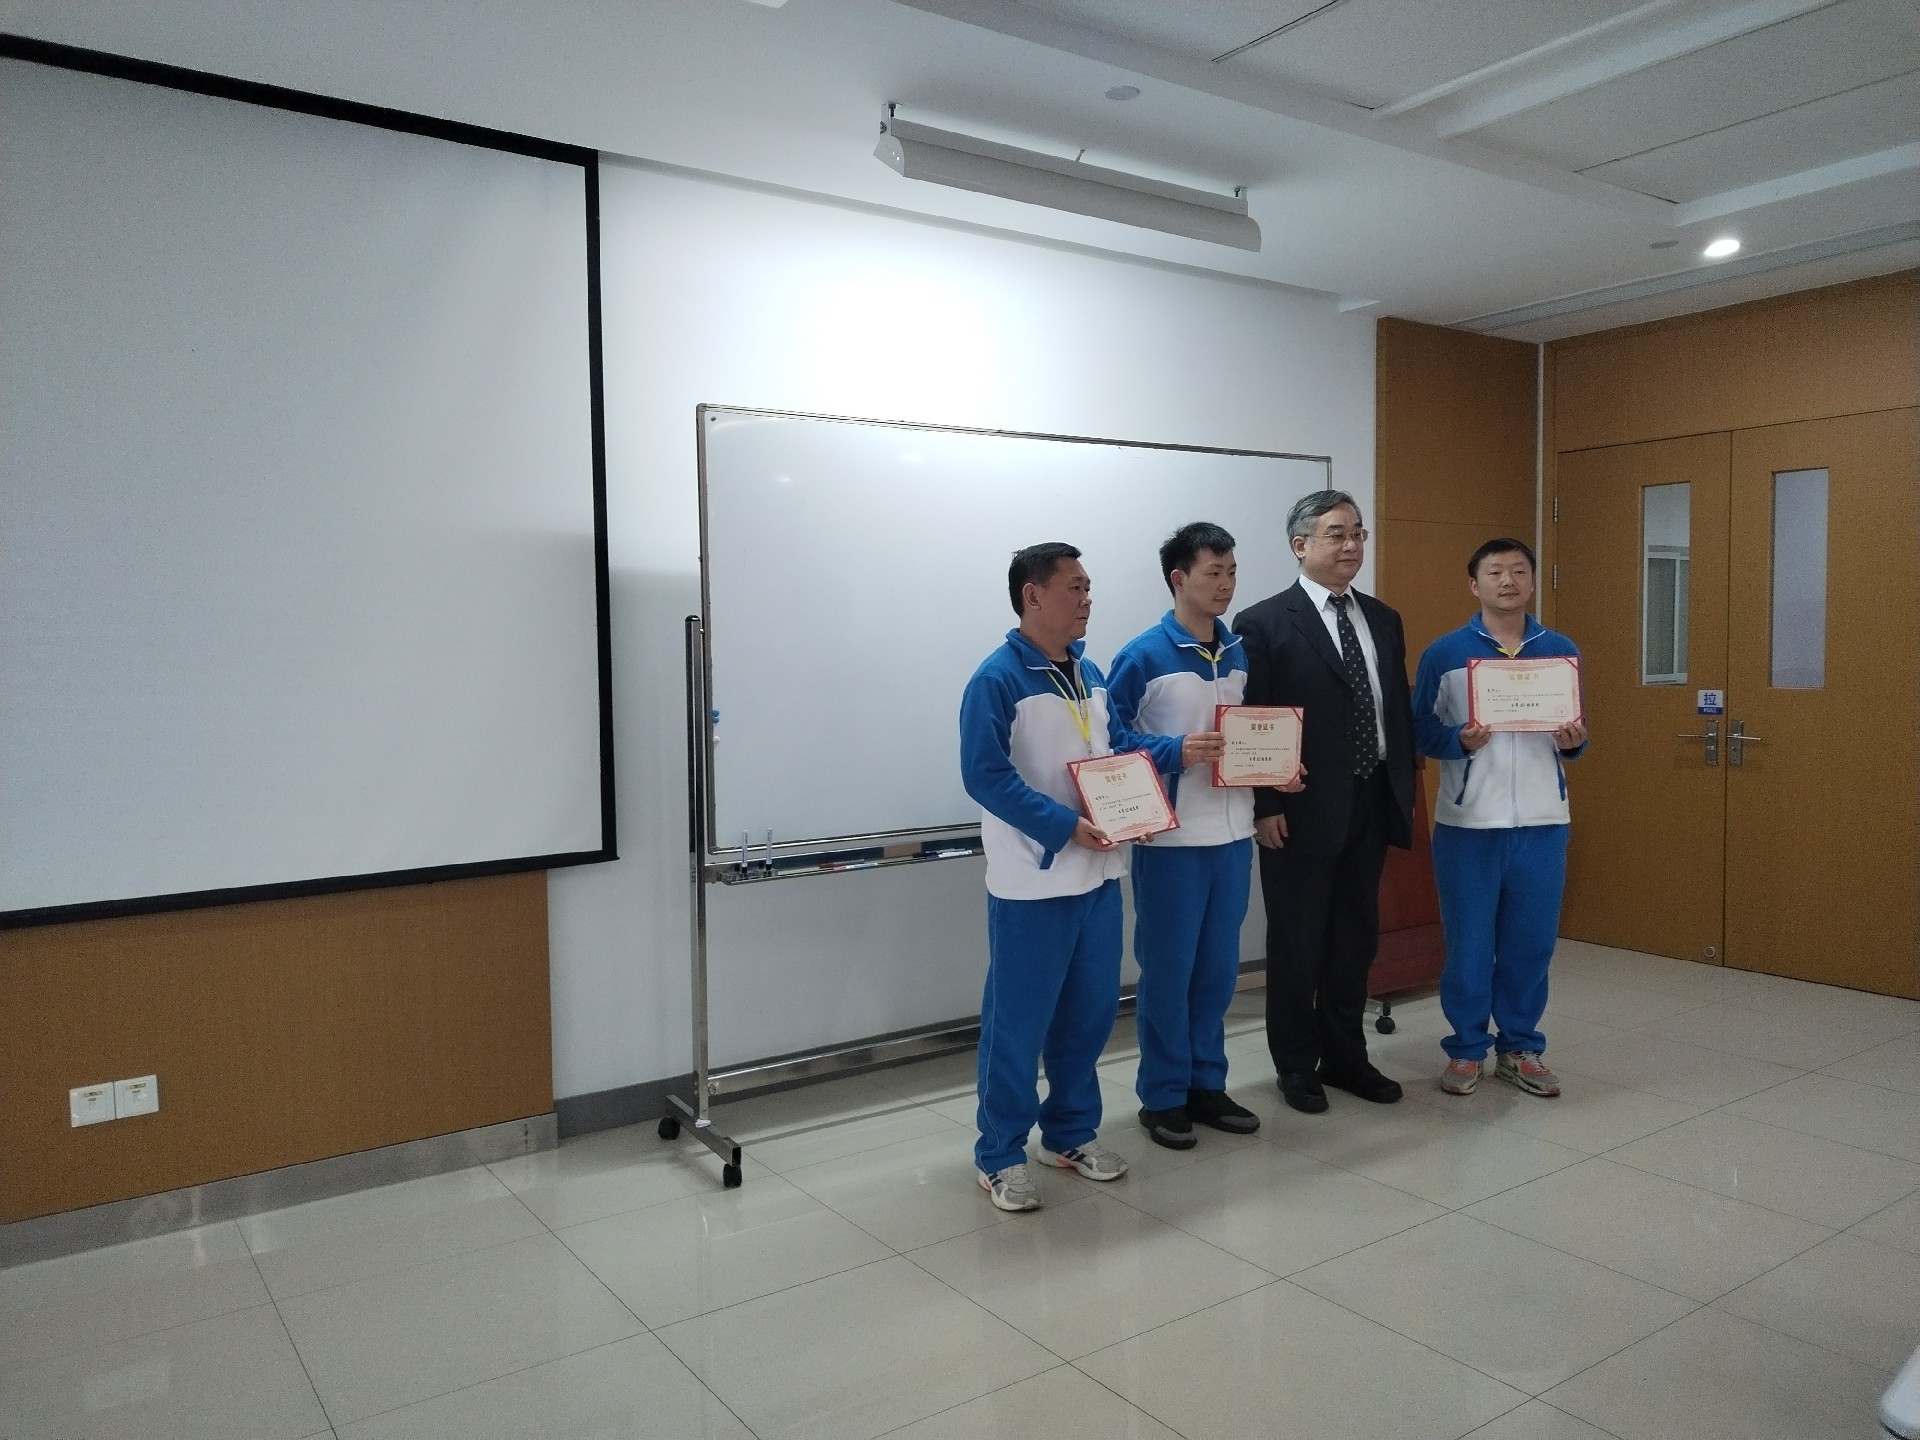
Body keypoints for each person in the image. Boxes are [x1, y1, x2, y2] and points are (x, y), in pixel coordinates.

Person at [959, 542, 1222, 1211]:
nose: (1087, 600)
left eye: (1088, 587)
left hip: (1100, 876)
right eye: (1074, 588)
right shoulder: (997, 679)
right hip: (1034, 883)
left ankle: (1070, 1134)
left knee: (1089, 1018)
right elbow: (984, 775)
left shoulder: (1089, 672)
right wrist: (1063, 826)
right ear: (1033, 596)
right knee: (1018, 1027)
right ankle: (999, 1153)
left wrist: (1158, 776)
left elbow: (1116, 750)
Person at [1108, 522, 1303, 1149]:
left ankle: (1206, 1084)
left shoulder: (1238, 651)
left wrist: (1278, 768)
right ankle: (1163, 1095)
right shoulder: (1143, 655)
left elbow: (1251, 734)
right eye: (1213, 572)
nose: (1225, 584)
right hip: (1169, 842)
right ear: (1179, 578)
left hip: (1231, 834)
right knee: (1169, 973)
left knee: (1217, 972)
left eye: (1232, 572)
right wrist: (1176, 750)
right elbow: (1107, 740)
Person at [1232, 491, 1416, 1115]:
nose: (1351, 545)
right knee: (1297, 942)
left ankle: (1346, 1056)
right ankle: (1295, 1064)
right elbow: (1254, 719)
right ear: (1300, 544)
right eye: (1337, 534)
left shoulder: (1383, 617)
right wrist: (1264, 803)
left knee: (1354, 939)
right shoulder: (1263, 622)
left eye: (1358, 533)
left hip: (1371, 797)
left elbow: (1394, 707)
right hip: (1300, 807)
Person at [1411, 538, 1587, 1097]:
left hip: (1542, 821)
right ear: (1474, 584)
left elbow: (1575, 731)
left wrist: (1574, 741)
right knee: (1468, 945)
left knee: (1530, 943)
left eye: (1518, 571)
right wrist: (1458, 741)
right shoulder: (1445, 653)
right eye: (1495, 572)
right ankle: (1466, 1049)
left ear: (1532, 581)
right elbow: (1420, 730)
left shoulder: (1559, 650)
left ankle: (1519, 1048)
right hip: (1469, 825)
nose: (1507, 581)